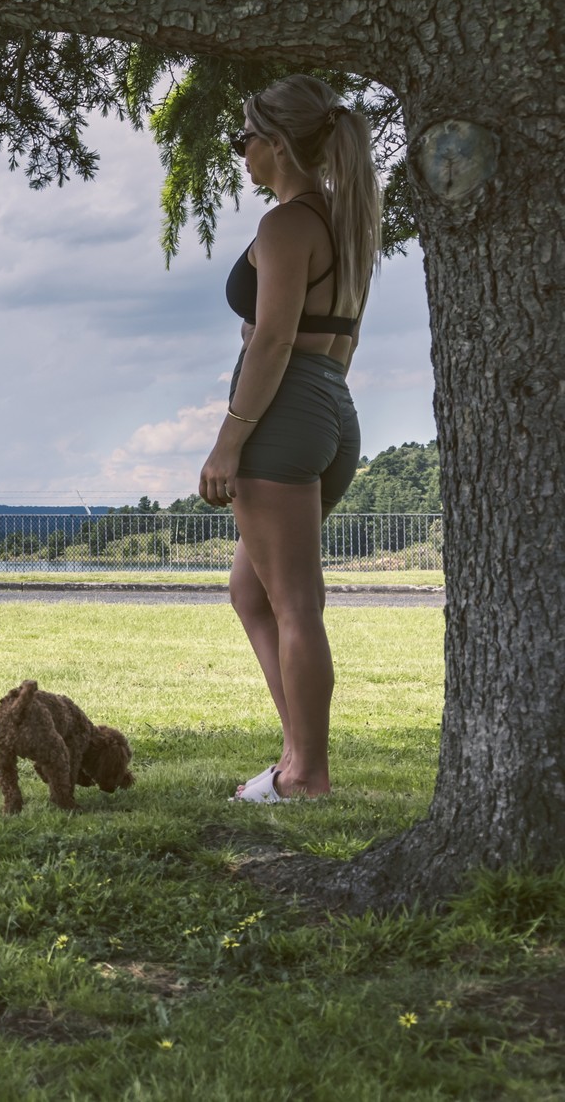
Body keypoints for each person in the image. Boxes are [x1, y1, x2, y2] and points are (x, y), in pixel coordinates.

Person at [200, 75, 380, 803]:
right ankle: (295, 753)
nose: (239, 151)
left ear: (276, 143)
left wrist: (227, 442)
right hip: (332, 406)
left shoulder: (284, 225)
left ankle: (307, 774)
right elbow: (317, 330)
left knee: (296, 603)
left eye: (243, 137)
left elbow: (272, 340)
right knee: (252, 591)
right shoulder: (344, 220)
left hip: (284, 413)